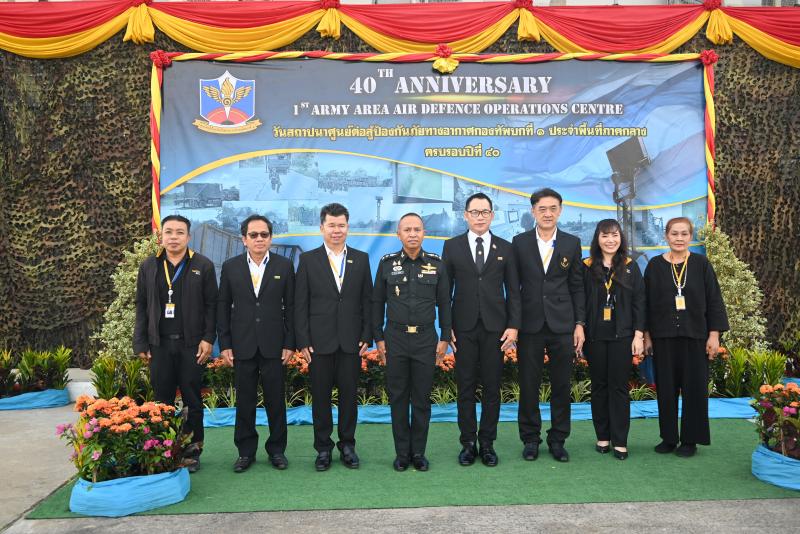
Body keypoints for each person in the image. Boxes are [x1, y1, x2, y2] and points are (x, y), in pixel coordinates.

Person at [133, 214, 218, 473]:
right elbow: (141, 306)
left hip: (191, 345)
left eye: (180, 232)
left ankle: (192, 451)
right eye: (169, 232)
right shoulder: (149, 266)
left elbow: (212, 306)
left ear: (188, 237)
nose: (173, 237)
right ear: (161, 236)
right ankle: (164, 450)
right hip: (159, 345)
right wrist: (141, 342)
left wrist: (208, 339)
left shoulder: (202, 265)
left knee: (192, 398)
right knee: (162, 400)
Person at [442, 193, 520, 467]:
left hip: (495, 329)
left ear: (492, 215)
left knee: (491, 388)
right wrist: (446, 327)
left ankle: (487, 444)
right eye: (474, 212)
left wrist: (513, 326)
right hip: (462, 328)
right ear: (465, 215)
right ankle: (467, 443)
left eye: (485, 212)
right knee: (465, 387)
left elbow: (514, 291)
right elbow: (444, 291)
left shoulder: (506, 248)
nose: (479, 217)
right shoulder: (452, 246)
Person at [295, 203, 373, 471]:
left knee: (349, 397)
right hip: (318, 343)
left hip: (352, 342)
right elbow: (300, 303)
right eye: (331, 225)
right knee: (321, 398)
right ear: (322, 228)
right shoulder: (308, 260)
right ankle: (323, 448)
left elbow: (368, 300)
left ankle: (348, 445)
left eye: (341, 225)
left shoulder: (361, 259)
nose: (336, 230)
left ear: (348, 227)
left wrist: (367, 335)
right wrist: (303, 340)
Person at [373, 213, 452, 472]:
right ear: (398, 234)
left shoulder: (437, 264)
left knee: (421, 398)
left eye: (417, 229)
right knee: (398, 398)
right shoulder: (387, 263)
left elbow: (445, 303)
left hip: (425, 339)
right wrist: (378, 338)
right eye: (407, 230)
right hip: (395, 339)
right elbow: (377, 303)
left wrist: (445, 337)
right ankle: (401, 454)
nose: (412, 234)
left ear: (424, 233)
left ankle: (418, 452)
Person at [643, 217, 728, 457]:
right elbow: (645, 304)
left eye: (684, 234)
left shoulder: (701, 264)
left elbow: (714, 300)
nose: (679, 238)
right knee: (665, 390)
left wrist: (714, 335)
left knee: (695, 389)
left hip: (695, 337)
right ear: (666, 236)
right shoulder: (654, 266)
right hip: (663, 338)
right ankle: (669, 438)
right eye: (674, 234)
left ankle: (690, 440)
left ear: (691, 236)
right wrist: (647, 336)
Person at [217, 215, 295, 473]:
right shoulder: (231, 267)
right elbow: (222, 306)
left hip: (275, 346)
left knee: (276, 401)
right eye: (253, 235)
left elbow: (292, 307)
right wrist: (225, 344)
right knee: (245, 401)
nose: (259, 239)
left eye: (264, 234)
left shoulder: (285, 266)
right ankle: (245, 452)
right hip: (242, 345)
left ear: (270, 238)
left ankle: (277, 451)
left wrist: (290, 343)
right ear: (244, 239)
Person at [512, 188, 585, 463]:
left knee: (561, 385)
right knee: (529, 384)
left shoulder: (571, 243)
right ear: (533, 211)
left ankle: (558, 439)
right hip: (530, 324)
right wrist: (514, 324)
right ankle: (530, 439)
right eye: (542, 208)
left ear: (560, 211)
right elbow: (514, 289)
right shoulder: (519, 242)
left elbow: (577, 286)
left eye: (553, 208)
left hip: (562, 324)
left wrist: (579, 324)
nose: (547, 213)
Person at [582, 219, 646, 460]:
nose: (610, 240)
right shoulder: (586, 267)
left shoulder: (630, 267)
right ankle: (603, 436)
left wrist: (638, 334)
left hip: (623, 336)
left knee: (619, 387)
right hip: (595, 337)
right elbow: (580, 301)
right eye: (605, 235)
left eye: (614, 235)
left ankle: (620, 440)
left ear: (621, 238)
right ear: (597, 239)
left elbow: (640, 302)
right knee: (599, 386)